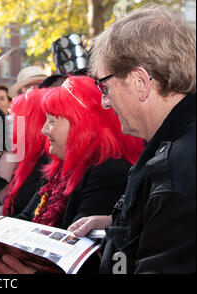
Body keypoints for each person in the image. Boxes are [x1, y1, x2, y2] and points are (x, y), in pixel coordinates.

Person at [69, 4, 196, 274]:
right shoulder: (174, 149)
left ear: (140, 81)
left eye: (105, 85)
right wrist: (112, 223)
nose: (104, 102)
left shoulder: (177, 166)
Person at [0, 76, 144, 273]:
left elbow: (76, 257)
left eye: (51, 121)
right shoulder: (59, 169)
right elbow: (27, 217)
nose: (44, 130)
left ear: (81, 125)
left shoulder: (108, 171)